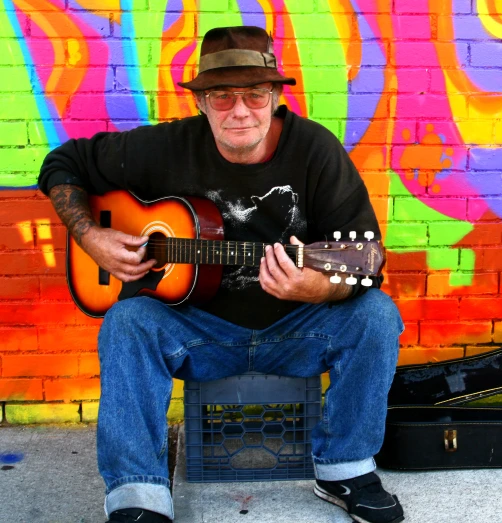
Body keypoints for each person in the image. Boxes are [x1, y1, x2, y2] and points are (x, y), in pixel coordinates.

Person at [38, 26, 404, 523]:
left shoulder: (314, 151)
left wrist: (316, 285)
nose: (239, 110)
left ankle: (345, 467)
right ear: (201, 102)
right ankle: (137, 494)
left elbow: (367, 260)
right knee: (127, 323)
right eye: (222, 95)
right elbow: (64, 163)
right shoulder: (165, 147)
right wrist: (91, 237)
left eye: (255, 94)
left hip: (293, 328)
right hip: (195, 330)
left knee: (376, 314)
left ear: (274, 96)